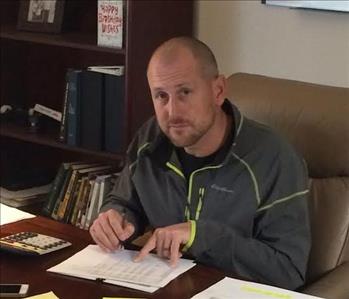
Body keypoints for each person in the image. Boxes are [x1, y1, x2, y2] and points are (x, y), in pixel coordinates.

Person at [90, 37, 311, 290]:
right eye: (161, 96)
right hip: (166, 286)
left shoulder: (275, 159)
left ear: (218, 91)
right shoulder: (151, 139)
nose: (172, 112)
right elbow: (125, 201)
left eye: (185, 92)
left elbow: (288, 270)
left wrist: (200, 236)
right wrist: (116, 219)